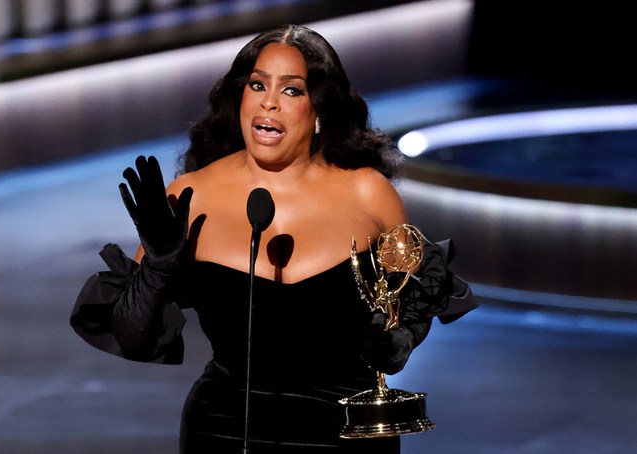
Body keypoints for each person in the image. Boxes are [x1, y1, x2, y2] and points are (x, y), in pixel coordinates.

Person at [70, 24, 477, 453]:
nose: (268, 101)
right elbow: (132, 336)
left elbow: (414, 291)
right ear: (239, 98)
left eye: (292, 90)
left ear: (320, 110)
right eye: (258, 84)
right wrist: (156, 267)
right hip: (225, 429)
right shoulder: (190, 197)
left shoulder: (368, 193)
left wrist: (401, 339)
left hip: (347, 433)